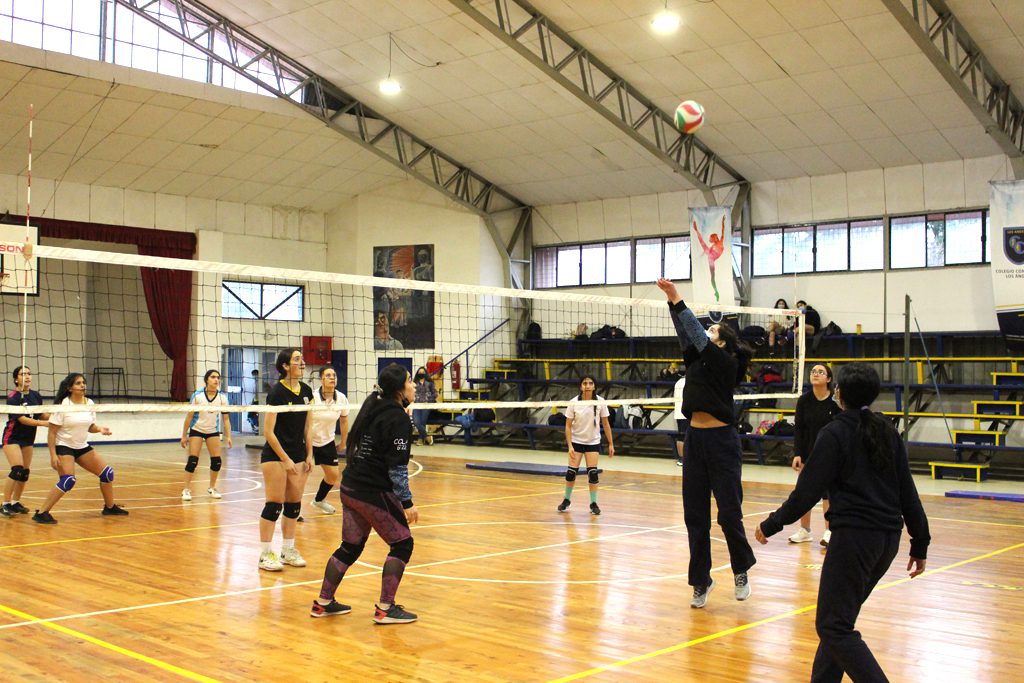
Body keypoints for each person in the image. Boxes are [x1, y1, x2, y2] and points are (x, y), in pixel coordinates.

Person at [755, 363, 930, 682]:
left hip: (854, 540)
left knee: (833, 626)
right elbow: (908, 490)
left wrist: (771, 524)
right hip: (887, 541)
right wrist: (920, 542)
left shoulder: (835, 432)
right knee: (839, 622)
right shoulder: (887, 430)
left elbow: (807, 491)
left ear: (839, 393)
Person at [656, 277, 756, 608]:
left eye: (713, 331)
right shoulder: (696, 360)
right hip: (695, 440)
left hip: (722, 441)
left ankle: (741, 570)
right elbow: (685, 332)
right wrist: (671, 304)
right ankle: (701, 580)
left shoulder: (725, 363)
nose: (707, 332)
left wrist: (677, 296)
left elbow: (695, 333)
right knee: (694, 516)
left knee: (729, 513)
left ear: (722, 342)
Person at [311, 363, 419, 624]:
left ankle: (323, 603)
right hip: (371, 490)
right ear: (399, 389)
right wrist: (407, 502)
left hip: (351, 486)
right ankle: (386, 608)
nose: (414, 385)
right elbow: (397, 468)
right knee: (402, 543)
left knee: (350, 546)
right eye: (410, 381)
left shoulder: (375, 407)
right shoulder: (396, 417)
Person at [33, 373, 128, 523]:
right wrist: (53, 455)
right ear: (70, 388)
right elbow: (52, 432)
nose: (82, 385)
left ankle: (109, 507)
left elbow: (90, 426)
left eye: (83, 382)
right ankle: (42, 513)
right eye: (78, 383)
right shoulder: (63, 405)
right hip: (64, 446)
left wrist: (99, 429)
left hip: (81, 446)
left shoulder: (89, 403)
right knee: (68, 480)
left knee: (107, 474)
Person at [257, 349, 313, 571]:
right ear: (285, 366)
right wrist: (285, 459)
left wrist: (309, 453)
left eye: (302, 358)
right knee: (274, 504)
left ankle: (288, 550)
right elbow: (268, 432)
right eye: (297, 359)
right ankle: (265, 554)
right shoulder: (277, 393)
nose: (302, 362)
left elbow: (308, 427)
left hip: (298, 454)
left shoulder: (307, 391)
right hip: (275, 455)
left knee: (293, 505)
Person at [788, 364, 841, 546]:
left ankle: (829, 530)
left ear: (828, 379)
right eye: (813, 372)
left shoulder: (835, 402)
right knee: (804, 491)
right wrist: (797, 454)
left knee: (828, 494)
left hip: (830, 453)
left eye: (820, 372)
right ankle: (805, 530)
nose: (815, 374)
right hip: (808, 453)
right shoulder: (804, 400)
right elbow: (799, 429)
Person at [557, 375, 615, 515]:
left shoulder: (600, 402)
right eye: (584, 383)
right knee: (571, 473)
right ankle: (566, 500)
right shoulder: (574, 402)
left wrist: (611, 444)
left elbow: (606, 424)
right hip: (576, 441)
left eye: (590, 383)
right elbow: (567, 426)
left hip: (592, 442)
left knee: (593, 474)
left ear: (594, 386)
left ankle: (593, 503)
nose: (587, 386)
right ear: (580, 386)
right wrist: (570, 446)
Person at [2, 366, 49, 516]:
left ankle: (16, 502)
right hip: (12, 437)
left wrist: (60, 415)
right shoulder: (13, 397)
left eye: (29, 373)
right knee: (17, 469)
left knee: (24, 472)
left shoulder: (35, 395)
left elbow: (41, 414)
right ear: (16, 379)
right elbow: (22, 419)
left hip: (28, 438)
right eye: (23, 374)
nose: (27, 376)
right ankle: (5, 504)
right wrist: (44, 424)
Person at [180, 369, 232, 502]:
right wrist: (184, 435)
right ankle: (186, 489)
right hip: (197, 429)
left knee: (217, 461)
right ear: (206, 380)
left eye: (218, 377)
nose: (216, 380)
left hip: (212, 430)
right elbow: (189, 417)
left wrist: (228, 436)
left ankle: (212, 488)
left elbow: (226, 419)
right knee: (192, 461)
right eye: (213, 377)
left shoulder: (223, 398)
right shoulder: (197, 396)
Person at [307, 365, 349, 516]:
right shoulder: (313, 397)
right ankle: (293, 509)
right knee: (301, 475)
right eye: (328, 375)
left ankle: (319, 500)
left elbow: (344, 421)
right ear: (321, 379)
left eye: (334, 375)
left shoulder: (341, 398)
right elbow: (305, 422)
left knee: (332, 475)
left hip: (327, 440)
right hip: (308, 440)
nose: (332, 378)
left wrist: (343, 442)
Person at [692, 215, 726, 302]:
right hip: (711, 257)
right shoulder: (713, 246)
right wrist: (696, 230)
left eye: (715, 237)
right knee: (712, 277)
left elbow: (723, 230)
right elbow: (703, 243)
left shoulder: (721, 240)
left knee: (713, 277)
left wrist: (723, 221)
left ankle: (716, 292)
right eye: (714, 238)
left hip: (712, 255)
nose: (716, 238)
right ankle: (716, 291)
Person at [411, 366, 437, 445]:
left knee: (422, 422)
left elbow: (435, 394)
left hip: (426, 406)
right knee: (416, 422)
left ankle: (420, 439)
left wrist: (428, 400)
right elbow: (411, 393)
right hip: (417, 405)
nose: (421, 373)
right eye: (420, 372)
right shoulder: (414, 383)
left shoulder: (430, 383)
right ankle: (427, 437)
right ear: (417, 373)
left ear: (425, 373)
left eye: (423, 372)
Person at [673, 375, 687, 467]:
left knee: (681, 436)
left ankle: (681, 458)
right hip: (686, 413)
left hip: (678, 413)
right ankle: (683, 459)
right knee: (685, 437)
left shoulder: (678, 382)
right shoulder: (689, 382)